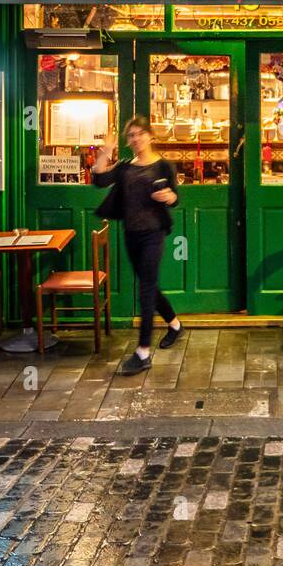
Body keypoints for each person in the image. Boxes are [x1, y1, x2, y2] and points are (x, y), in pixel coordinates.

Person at [92, 116, 184, 375]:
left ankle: (143, 352)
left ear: (150, 136)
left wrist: (170, 196)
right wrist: (106, 152)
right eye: (131, 135)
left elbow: (176, 197)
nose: (135, 139)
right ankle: (175, 325)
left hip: (154, 233)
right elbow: (98, 180)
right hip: (131, 232)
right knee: (149, 285)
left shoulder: (164, 166)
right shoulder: (124, 168)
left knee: (145, 290)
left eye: (140, 133)